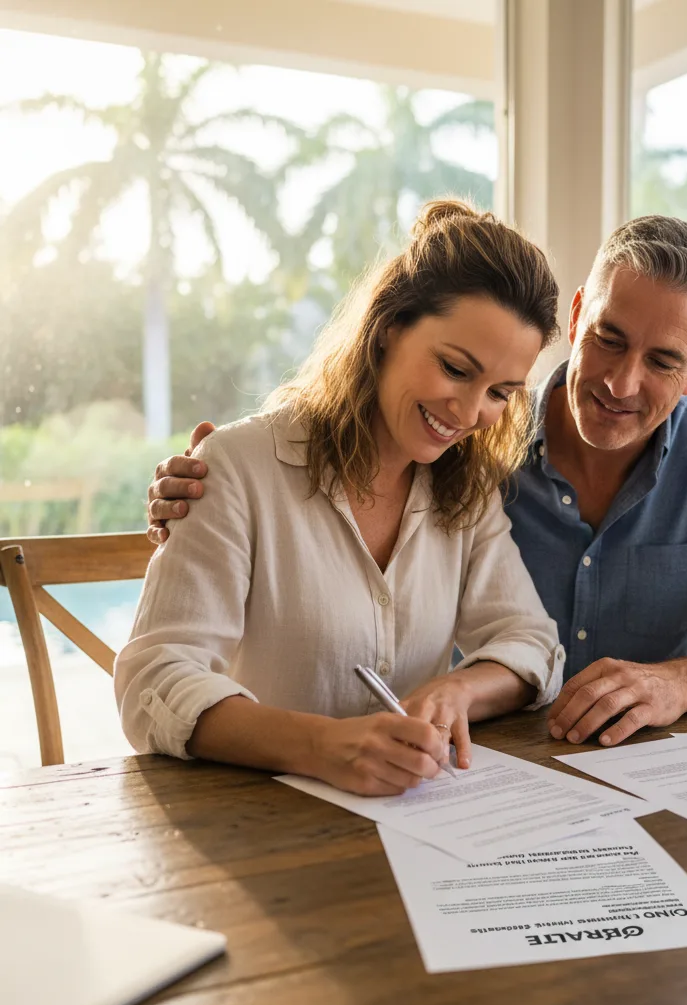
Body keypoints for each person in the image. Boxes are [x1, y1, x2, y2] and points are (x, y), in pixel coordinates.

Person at [147, 215, 687, 750]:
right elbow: (165, 671)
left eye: (662, 361)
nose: (622, 383)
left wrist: (679, 682)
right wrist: (221, 482)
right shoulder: (478, 455)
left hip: (599, 774)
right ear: (575, 321)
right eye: (609, 339)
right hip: (418, 779)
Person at [115, 199, 566, 796]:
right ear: (387, 330)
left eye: (500, 392)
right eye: (456, 369)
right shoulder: (239, 467)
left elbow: (533, 643)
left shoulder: (466, 491)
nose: (469, 412)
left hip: (412, 825)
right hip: (257, 825)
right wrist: (320, 747)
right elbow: (155, 677)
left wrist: (460, 687)